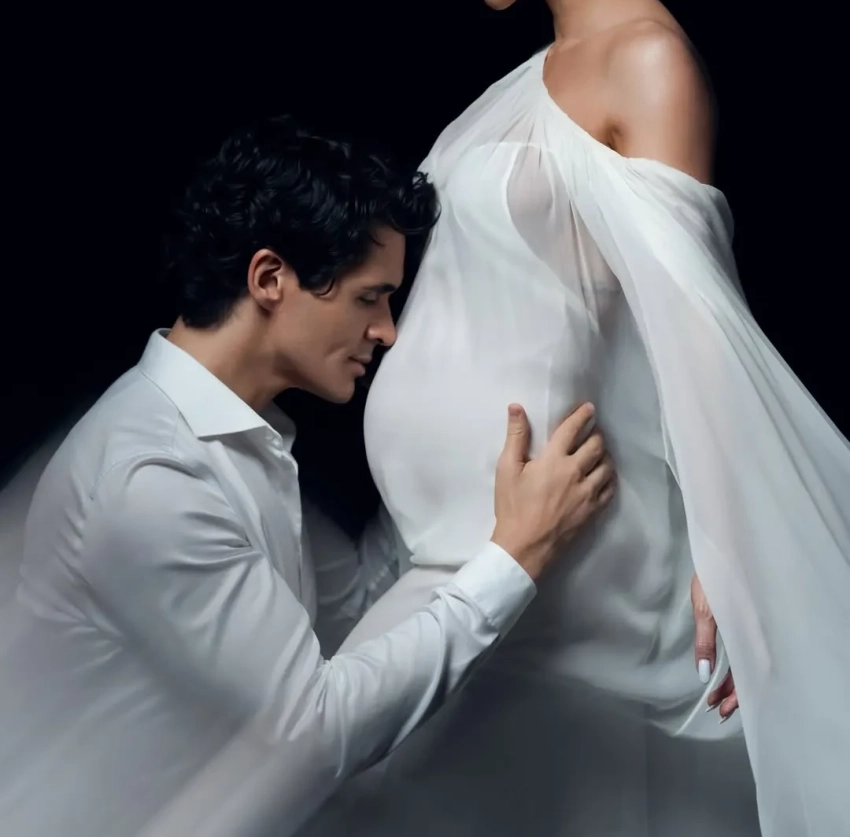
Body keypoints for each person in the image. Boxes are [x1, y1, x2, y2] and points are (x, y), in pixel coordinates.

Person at [302, 0, 850, 837]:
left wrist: (727, 549)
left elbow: (693, 326)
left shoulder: (648, 61)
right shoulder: (530, 76)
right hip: (471, 539)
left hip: (575, 550)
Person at [0, 116, 617, 837]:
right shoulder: (152, 477)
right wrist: (518, 556)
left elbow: (350, 610)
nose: (387, 330)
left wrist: (469, 485)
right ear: (270, 279)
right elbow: (316, 729)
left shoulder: (234, 440)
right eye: (368, 297)